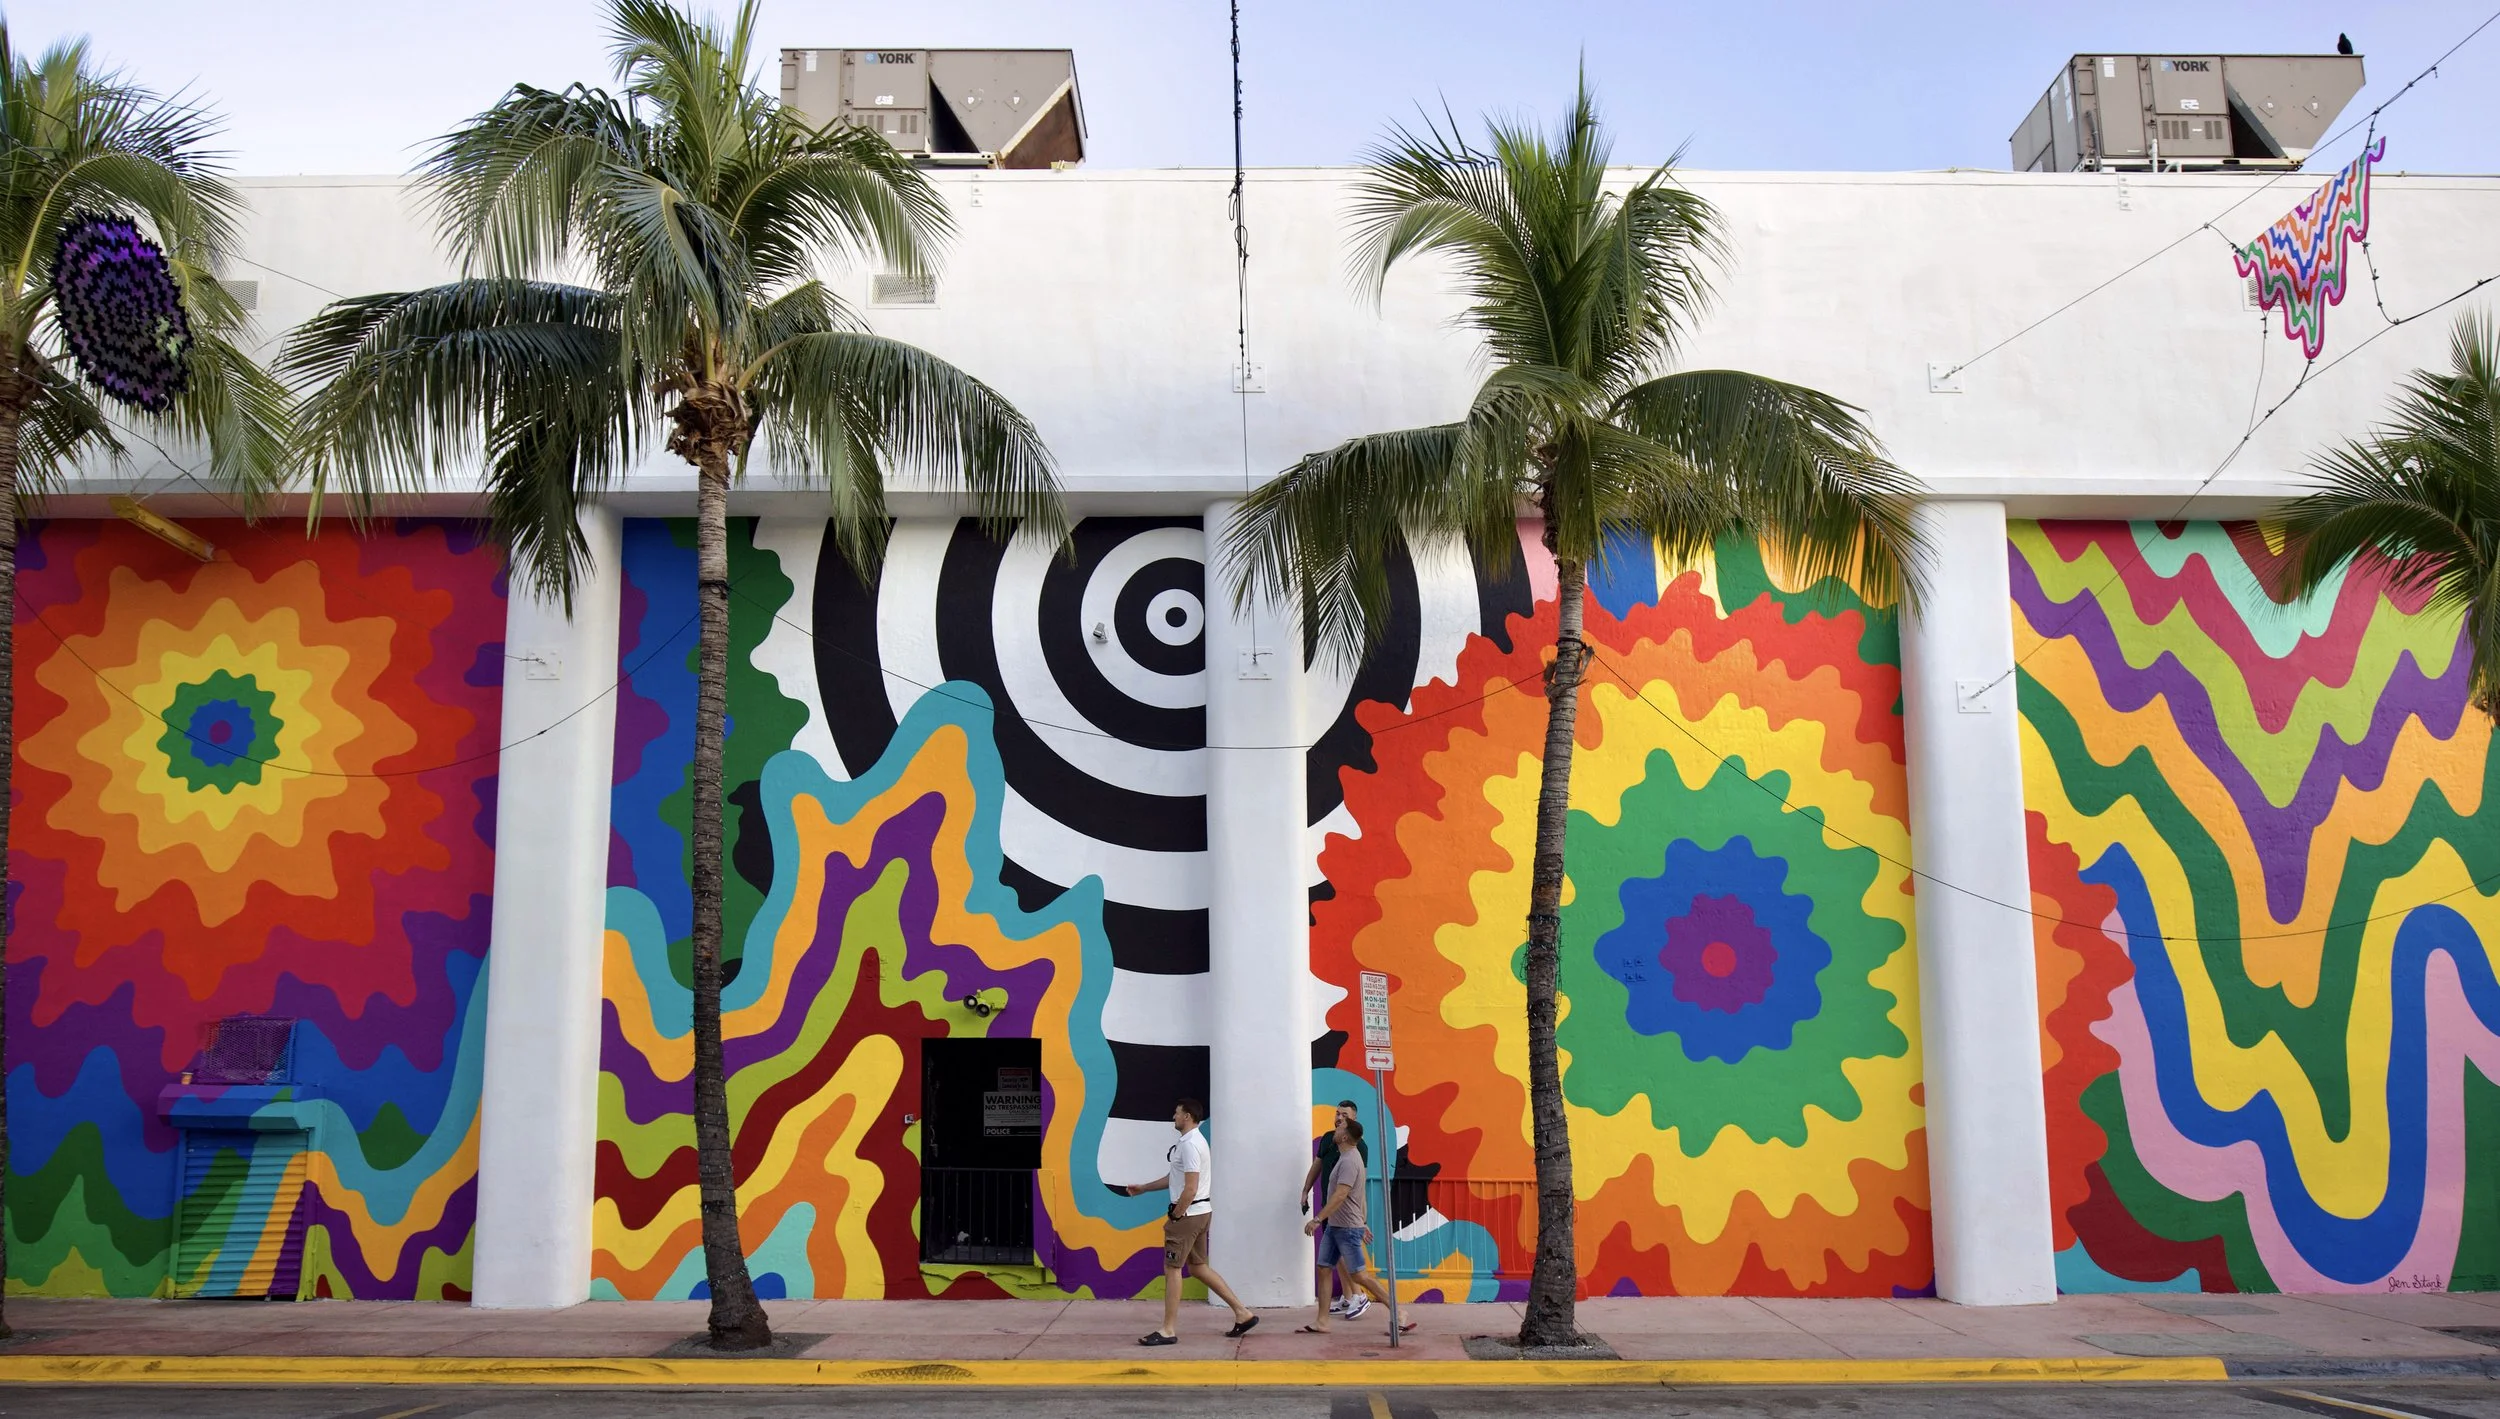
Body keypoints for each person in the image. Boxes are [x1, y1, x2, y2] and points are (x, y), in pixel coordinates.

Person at [1116, 1097, 1258, 1345]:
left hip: (1188, 1216)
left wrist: (1176, 1214)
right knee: (1198, 1267)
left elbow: (1189, 1187)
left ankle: (1168, 1330)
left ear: (1188, 1117)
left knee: (1172, 1269)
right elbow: (1175, 1178)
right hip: (1201, 1213)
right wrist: (1144, 1188)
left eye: (1177, 1113)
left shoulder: (1191, 1145)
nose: (1174, 1116)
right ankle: (1243, 1313)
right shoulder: (1192, 1142)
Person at [1297, 1117, 1412, 1335]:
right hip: (1336, 1227)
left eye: (1340, 1126)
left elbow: (1341, 1195)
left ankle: (1398, 1312)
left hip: (1347, 1228)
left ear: (1346, 1136)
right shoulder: (1344, 1157)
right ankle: (1322, 1322)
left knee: (1360, 1276)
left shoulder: (1350, 1160)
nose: (1336, 1127)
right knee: (1323, 1269)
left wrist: (1317, 1219)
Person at [1298, 1099, 1366, 1315]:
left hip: (1346, 1210)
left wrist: (1362, 1220)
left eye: (1344, 1115)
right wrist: (1305, 1190)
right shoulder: (1329, 1139)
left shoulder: (1358, 1147)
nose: (1338, 1118)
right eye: (1337, 1113)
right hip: (1329, 1206)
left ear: (1353, 1120)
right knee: (1335, 1256)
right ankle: (1348, 1298)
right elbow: (1317, 1165)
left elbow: (1358, 1184)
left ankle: (1359, 1295)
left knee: (1346, 1254)